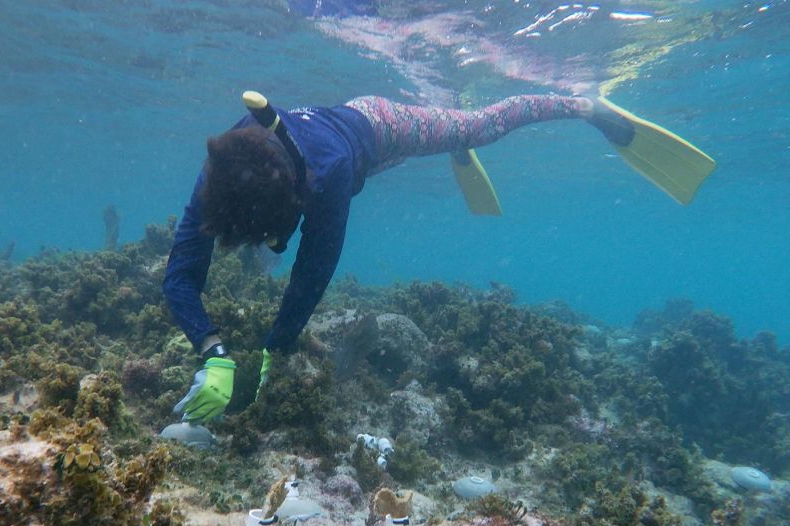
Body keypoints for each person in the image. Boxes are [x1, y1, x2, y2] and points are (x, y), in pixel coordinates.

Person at [162, 91, 715, 424]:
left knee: (479, 125)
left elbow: (311, 275)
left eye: (273, 236)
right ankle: (451, 139)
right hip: (340, 158)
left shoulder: (325, 178)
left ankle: (584, 107)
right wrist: (213, 352)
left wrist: (273, 350)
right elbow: (179, 276)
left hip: (378, 127)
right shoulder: (220, 173)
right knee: (345, 190)